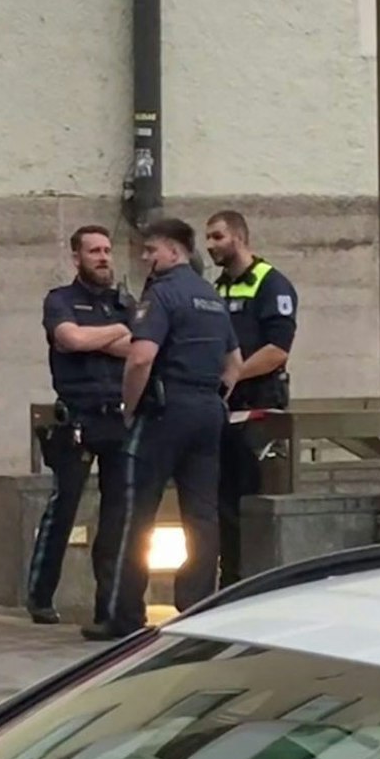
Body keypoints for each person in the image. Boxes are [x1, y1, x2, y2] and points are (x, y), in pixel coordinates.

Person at [86, 218, 243, 642]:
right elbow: (235, 363)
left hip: (163, 412)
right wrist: (214, 397)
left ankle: (122, 614)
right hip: (207, 412)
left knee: (135, 512)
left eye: (151, 250)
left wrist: (129, 408)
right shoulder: (211, 297)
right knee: (202, 515)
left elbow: (141, 358)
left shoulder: (162, 294)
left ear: (174, 251)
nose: (145, 258)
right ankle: (196, 605)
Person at [25, 225, 135, 627]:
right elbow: (70, 339)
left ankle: (108, 603)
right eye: (94, 251)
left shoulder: (126, 302)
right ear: (76, 258)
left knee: (117, 514)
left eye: (107, 250)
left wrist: (97, 338)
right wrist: (116, 333)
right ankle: (40, 595)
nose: (103, 258)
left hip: (118, 417)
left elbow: (138, 347)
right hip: (77, 418)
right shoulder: (60, 300)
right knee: (64, 509)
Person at [205, 210, 299, 587]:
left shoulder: (271, 284)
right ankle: (229, 582)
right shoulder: (217, 288)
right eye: (208, 238)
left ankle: (256, 584)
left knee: (253, 503)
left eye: (217, 237)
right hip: (224, 410)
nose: (210, 245)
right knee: (225, 504)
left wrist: (234, 374)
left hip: (258, 410)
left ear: (239, 238)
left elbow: (277, 350)